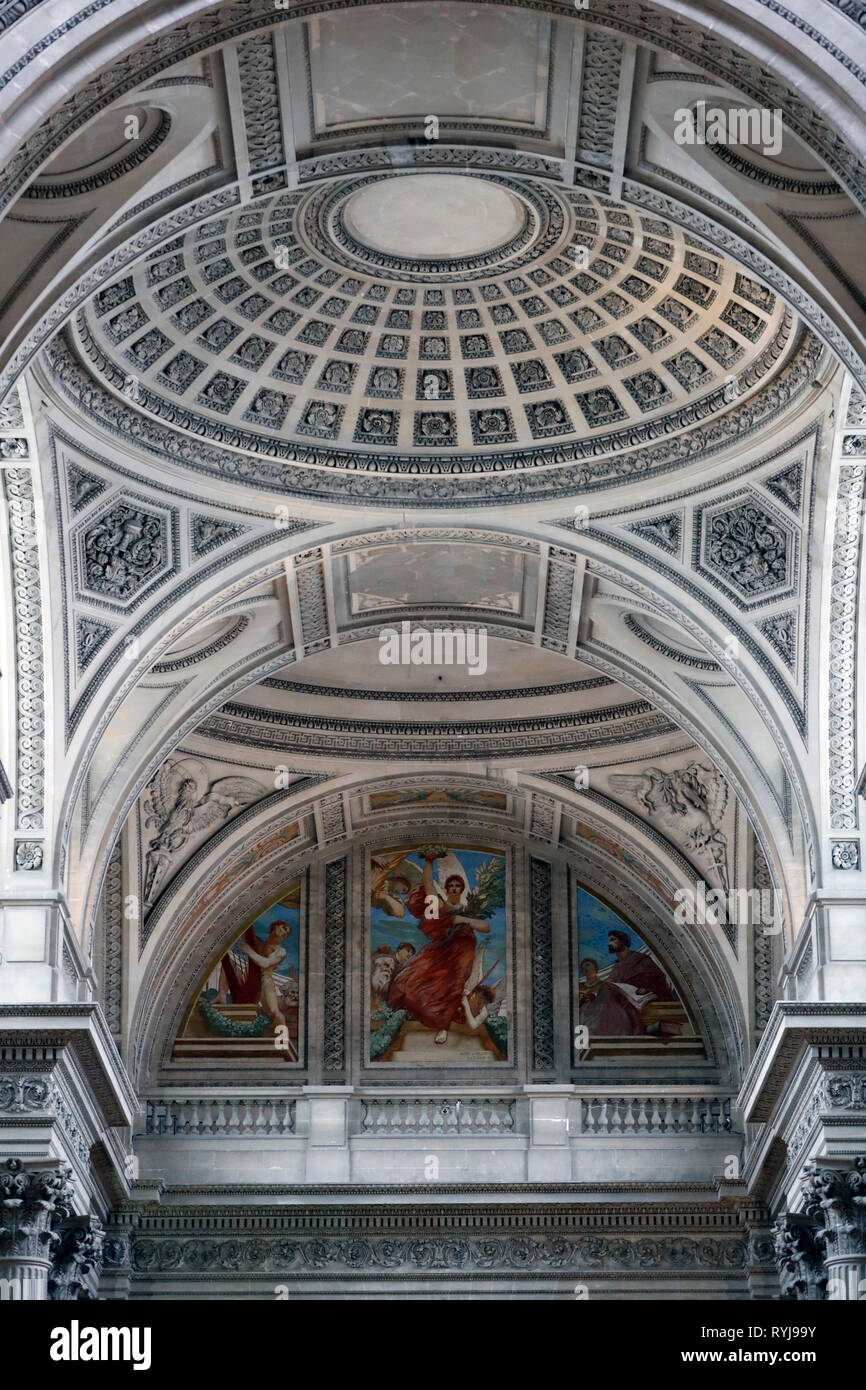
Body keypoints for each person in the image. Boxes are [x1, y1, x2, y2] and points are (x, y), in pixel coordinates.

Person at [387, 850, 489, 1044]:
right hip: (442, 950)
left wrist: (463, 919)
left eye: (457, 885)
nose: (454, 888)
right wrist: (429, 861)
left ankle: (443, 1028)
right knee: (413, 979)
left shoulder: (468, 909)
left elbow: (485, 926)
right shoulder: (439, 906)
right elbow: (428, 885)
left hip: (462, 953)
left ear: (462, 889)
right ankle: (417, 1015)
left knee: (453, 987)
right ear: (446, 887)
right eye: (450, 885)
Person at [237, 919, 292, 1029]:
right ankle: (221, 996)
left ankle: (283, 1040)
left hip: (265, 980)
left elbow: (266, 963)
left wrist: (249, 951)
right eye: (284, 928)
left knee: (273, 1011)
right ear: (275, 927)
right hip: (250, 977)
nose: (286, 934)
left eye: (287, 933)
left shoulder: (280, 951)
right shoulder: (258, 943)